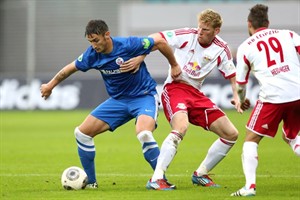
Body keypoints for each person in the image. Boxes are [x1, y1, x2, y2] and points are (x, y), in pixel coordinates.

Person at [40, 19, 181, 188]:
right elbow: (69, 69)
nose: (93, 45)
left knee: (144, 133)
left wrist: (172, 64)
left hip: (143, 97)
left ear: (107, 35)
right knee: (82, 134)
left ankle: (159, 179)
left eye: (96, 40)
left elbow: (160, 42)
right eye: (90, 41)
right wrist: (50, 85)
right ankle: (91, 183)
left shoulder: (128, 45)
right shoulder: (91, 55)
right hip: (118, 101)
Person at [126, 9, 249, 190]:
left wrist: (238, 97)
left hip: (196, 94)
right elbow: (155, 39)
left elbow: (232, 75)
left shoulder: (221, 48)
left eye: (205, 30)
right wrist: (140, 56)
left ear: (216, 31)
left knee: (231, 134)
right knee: (181, 127)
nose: (200, 32)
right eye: (199, 27)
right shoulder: (187, 34)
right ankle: (156, 178)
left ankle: (201, 174)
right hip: (175, 88)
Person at [230, 4, 300, 197]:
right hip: (298, 94)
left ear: (249, 24)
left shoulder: (246, 46)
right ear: (268, 23)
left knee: (250, 139)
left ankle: (249, 187)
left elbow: (241, 84)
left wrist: (242, 100)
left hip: (273, 98)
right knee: (291, 137)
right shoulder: (289, 34)